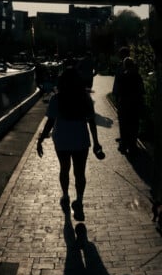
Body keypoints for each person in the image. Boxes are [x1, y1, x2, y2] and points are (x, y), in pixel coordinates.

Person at [36, 63, 104, 221]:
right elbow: (92, 122)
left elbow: (50, 122)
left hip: (62, 141)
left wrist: (40, 140)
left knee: (64, 169)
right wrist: (96, 143)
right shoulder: (84, 98)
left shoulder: (56, 99)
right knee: (80, 173)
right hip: (81, 140)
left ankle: (65, 196)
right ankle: (79, 201)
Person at [114, 56, 145, 155]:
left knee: (124, 126)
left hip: (124, 104)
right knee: (134, 125)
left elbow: (118, 91)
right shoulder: (137, 76)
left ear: (124, 66)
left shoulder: (122, 76)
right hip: (134, 105)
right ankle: (133, 145)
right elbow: (141, 91)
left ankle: (124, 145)